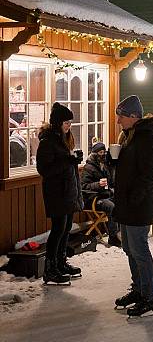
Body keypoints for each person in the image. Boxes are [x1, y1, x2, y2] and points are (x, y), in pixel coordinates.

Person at [112, 95, 153, 317]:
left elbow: (148, 174)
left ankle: (150, 297)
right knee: (129, 248)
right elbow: (129, 168)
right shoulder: (128, 137)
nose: (118, 121)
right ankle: (139, 289)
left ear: (133, 116)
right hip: (127, 203)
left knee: (139, 250)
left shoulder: (146, 139)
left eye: (121, 116)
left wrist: (134, 198)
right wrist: (113, 162)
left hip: (138, 205)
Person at [36, 102, 84, 285]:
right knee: (58, 229)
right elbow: (44, 169)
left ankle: (61, 263)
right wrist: (69, 161)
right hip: (56, 192)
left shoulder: (63, 140)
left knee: (66, 228)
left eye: (70, 123)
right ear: (57, 123)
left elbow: (64, 164)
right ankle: (50, 269)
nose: (69, 126)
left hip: (68, 191)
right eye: (66, 122)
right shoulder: (48, 141)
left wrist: (72, 161)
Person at [81, 141, 121, 247]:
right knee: (112, 207)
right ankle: (113, 237)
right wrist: (98, 184)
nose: (102, 154)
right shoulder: (88, 168)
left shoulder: (104, 166)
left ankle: (120, 234)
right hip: (93, 198)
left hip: (105, 195)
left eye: (104, 152)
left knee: (121, 202)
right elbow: (84, 186)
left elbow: (110, 182)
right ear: (94, 154)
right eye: (100, 152)